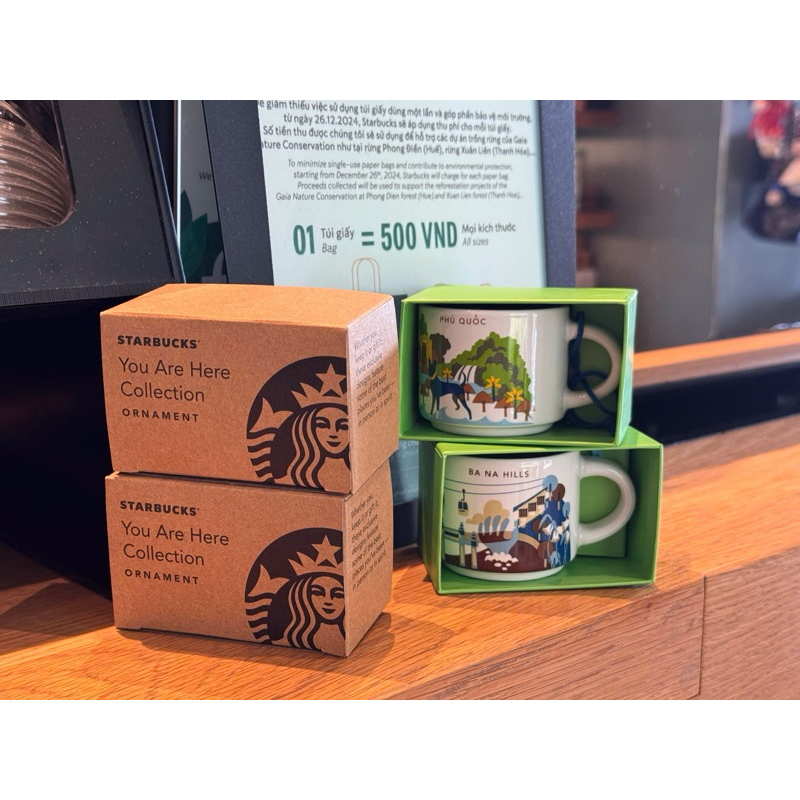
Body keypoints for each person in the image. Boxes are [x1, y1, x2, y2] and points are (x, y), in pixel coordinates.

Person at [270, 402, 350, 491]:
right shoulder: (289, 480)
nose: (333, 433)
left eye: (343, 426)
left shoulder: (353, 479)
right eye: (322, 425)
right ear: (309, 431)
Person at [268, 572, 346, 653]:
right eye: (318, 593)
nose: (328, 601)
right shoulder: (287, 639)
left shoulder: (346, 639)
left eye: (338, 595)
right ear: (304, 598)